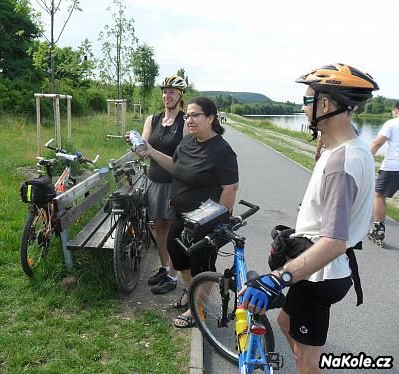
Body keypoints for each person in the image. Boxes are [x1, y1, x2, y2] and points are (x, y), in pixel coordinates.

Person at [240, 63, 378, 372]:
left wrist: (279, 278)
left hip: (322, 273)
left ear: (325, 105)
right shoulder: (350, 147)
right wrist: (322, 142)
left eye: (307, 101)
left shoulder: (342, 163)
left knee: (306, 358)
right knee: (286, 322)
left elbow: (333, 242)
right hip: (319, 266)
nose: (302, 108)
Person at [136, 96, 239, 328]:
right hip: (181, 214)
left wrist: (218, 222)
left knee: (203, 264)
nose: (189, 120)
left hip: (206, 220)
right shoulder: (187, 142)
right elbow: (175, 166)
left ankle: (197, 310)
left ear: (211, 118)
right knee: (178, 253)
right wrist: (150, 151)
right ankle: (191, 291)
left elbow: (230, 188)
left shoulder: (222, 150)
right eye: (187, 115)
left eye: (195, 115)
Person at [139, 74, 189, 294]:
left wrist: (150, 151)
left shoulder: (185, 122)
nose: (166, 96)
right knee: (159, 227)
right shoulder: (153, 119)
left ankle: (173, 276)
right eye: (164, 91)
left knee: (174, 231)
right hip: (155, 182)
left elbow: (184, 159)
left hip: (175, 183)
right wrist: (136, 146)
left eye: (171, 92)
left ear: (180, 95)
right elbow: (144, 146)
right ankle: (164, 267)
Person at [368, 101, 399, 245]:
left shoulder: (392, 123)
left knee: (379, 195)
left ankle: (378, 228)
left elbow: (377, 143)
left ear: (396, 111)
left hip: (392, 167)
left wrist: (365, 160)